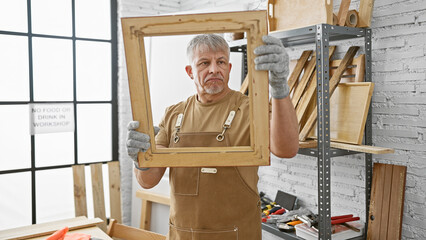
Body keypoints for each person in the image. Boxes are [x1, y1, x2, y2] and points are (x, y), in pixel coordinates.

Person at [126, 34, 299, 239]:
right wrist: (141, 159)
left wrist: (279, 87)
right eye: (204, 63)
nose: (214, 69)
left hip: (238, 234)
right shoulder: (174, 115)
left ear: (229, 68)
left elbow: (287, 149)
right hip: (183, 234)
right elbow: (148, 180)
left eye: (221, 62)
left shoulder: (252, 109)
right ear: (190, 71)